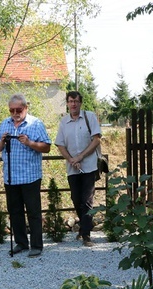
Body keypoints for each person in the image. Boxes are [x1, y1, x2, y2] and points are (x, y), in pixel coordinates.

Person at [0, 94, 51, 257]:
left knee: (33, 212)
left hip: (30, 176)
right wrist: (2, 142)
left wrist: (30, 143)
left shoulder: (35, 124)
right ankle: (21, 243)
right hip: (11, 176)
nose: (15, 113)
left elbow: (46, 147)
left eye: (18, 109)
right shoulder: (5, 124)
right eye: (12, 110)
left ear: (26, 108)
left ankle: (37, 245)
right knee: (15, 212)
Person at [54, 91, 102, 247]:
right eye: (70, 101)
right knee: (76, 198)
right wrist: (71, 159)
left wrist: (80, 157)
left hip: (89, 165)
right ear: (67, 104)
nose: (73, 104)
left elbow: (96, 140)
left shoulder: (89, 117)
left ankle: (86, 235)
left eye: (75, 101)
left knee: (87, 200)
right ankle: (84, 226)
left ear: (80, 103)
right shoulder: (64, 122)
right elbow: (60, 144)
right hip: (72, 167)